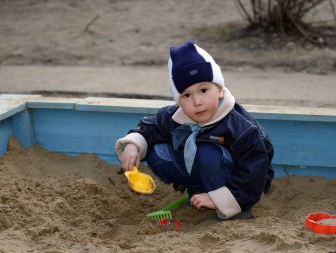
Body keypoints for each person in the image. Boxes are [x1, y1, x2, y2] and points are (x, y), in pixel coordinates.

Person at [115, 40, 274, 220]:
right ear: (179, 101)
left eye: (204, 90)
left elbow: (255, 170)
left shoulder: (242, 127)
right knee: (157, 152)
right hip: (204, 171)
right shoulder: (177, 116)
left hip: (240, 184)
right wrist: (132, 145)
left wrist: (223, 198)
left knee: (208, 152)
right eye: (187, 95)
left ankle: (234, 210)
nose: (197, 102)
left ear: (220, 90)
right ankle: (198, 191)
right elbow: (150, 127)